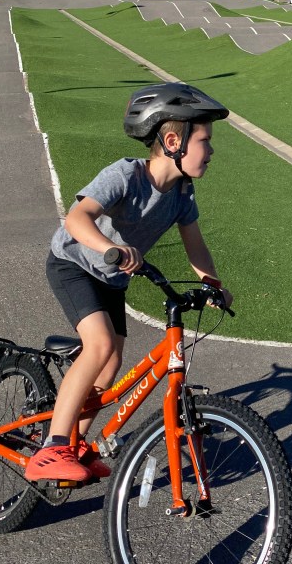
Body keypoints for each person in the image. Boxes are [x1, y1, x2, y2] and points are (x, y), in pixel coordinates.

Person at [24, 82, 232, 483]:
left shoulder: (182, 193)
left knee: (110, 365)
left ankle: (75, 444)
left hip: (112, 280)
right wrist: (111, 248)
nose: (211, 150)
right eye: (205, 140)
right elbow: (77, 218)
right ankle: (52, 447)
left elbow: (195, 244)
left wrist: (213, 284)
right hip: (73, 264)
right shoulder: (125, 175)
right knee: (100, 345)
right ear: (173, 142)